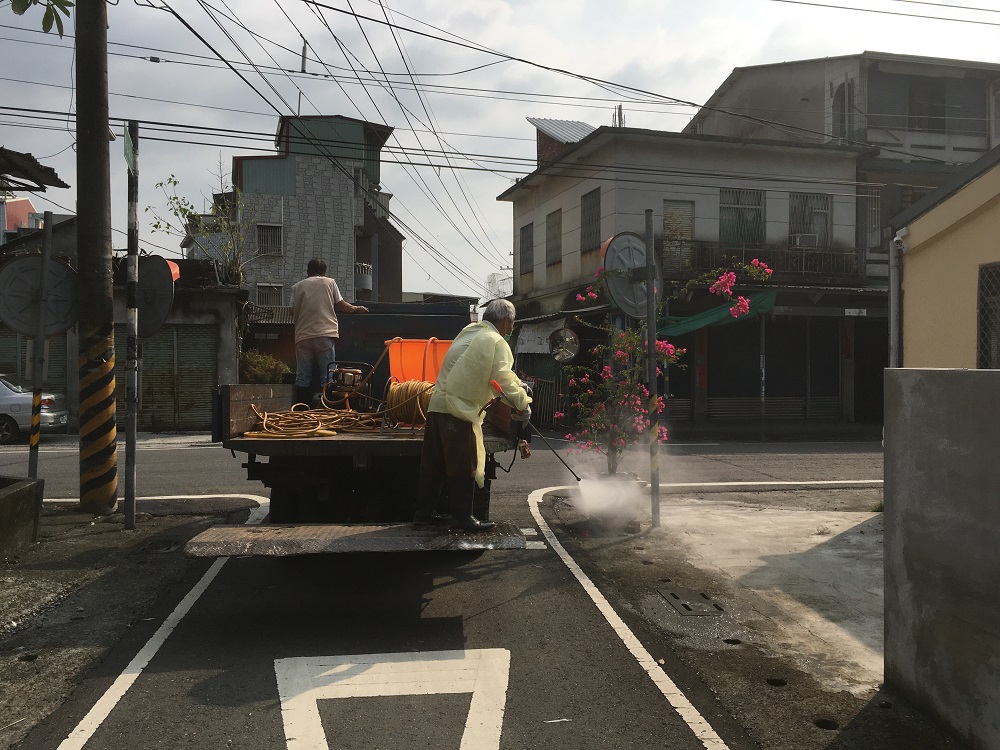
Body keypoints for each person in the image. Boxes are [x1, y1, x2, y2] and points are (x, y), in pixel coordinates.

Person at [414, 299, 531, 532]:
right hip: (458, 410)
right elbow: (502, 378)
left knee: (433, 464)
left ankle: (423, 514)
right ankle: (463, 519)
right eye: (512, 324)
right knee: (463, 464)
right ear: (506, 321)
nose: (511, 329)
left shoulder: (469, 331)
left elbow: (485, 372)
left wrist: (518, 387)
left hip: (437, 405)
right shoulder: (496, 341)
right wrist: (523, 402)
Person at [291, 257, 368, 405]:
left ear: (308, 272)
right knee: (328, 375)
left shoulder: (297, 287)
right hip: (324, 333)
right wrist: (357, 309)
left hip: (303, 335)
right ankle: (326, 407)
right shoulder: (330, 283)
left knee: (302, 376)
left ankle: (301, 409)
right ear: (324, 272)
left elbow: (290, 311)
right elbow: (342, 305)